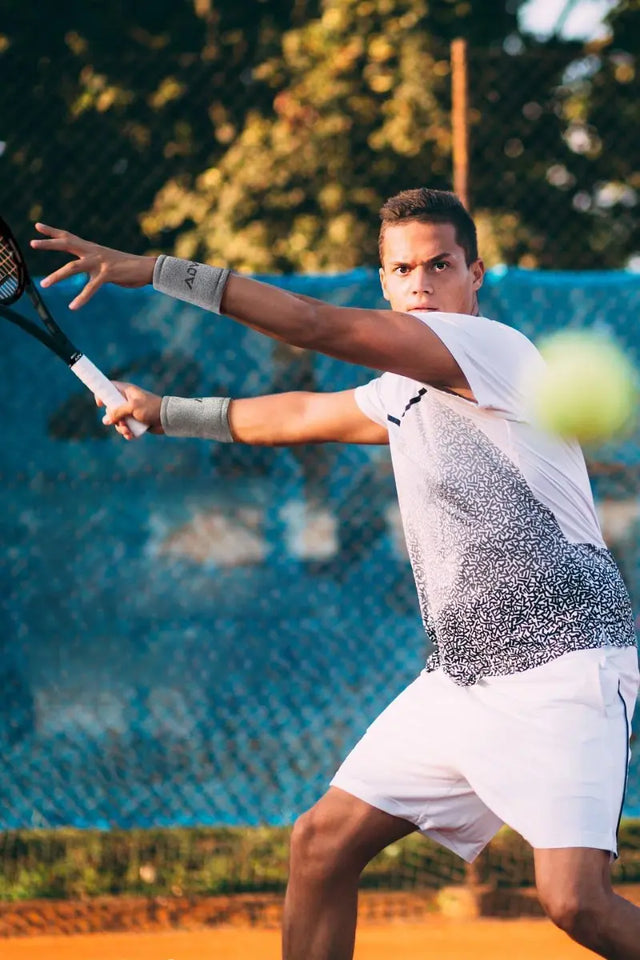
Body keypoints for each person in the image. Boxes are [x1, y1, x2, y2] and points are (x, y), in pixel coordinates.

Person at [32, 188, 640, 959]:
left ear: (475, 275)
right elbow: (294, 417)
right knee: (321, 844)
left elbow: (314, 325)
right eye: (403, 269)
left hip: (565, 668)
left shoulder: (491, 351)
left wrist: (152, 269)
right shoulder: (402, 390)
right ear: (382, 281)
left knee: (576, 902)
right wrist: (164, 412)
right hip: (461, 679)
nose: (422, 285)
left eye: (440, 265)